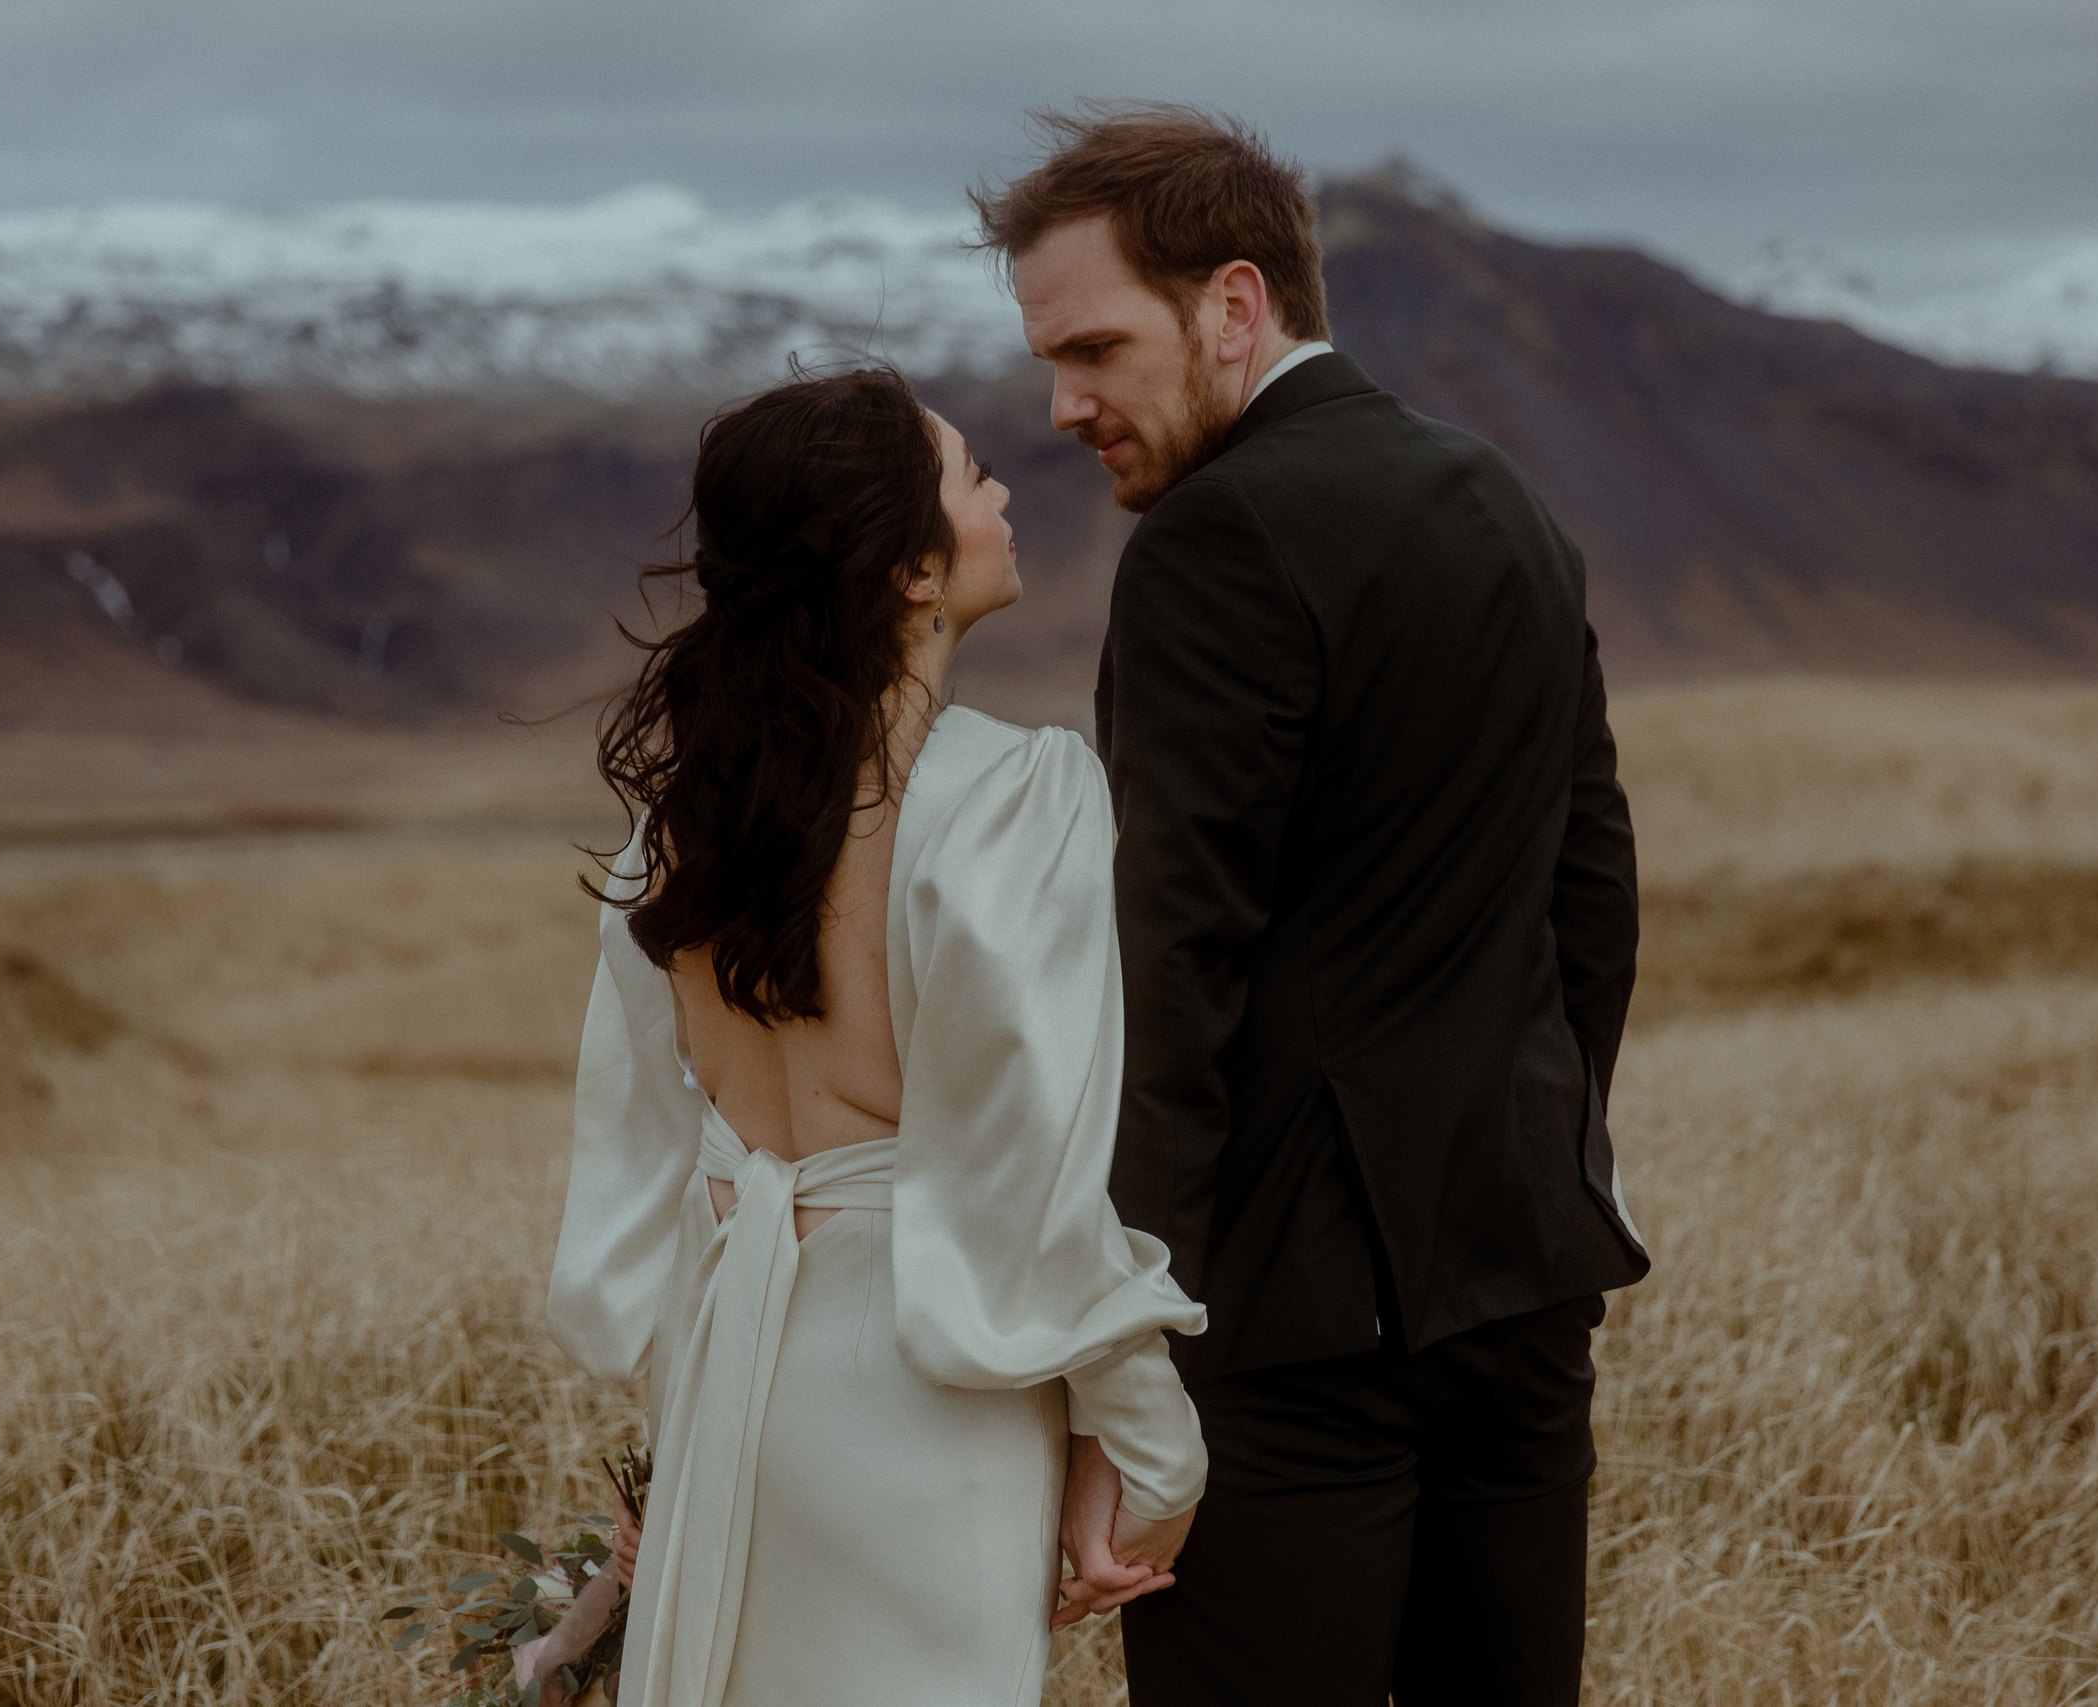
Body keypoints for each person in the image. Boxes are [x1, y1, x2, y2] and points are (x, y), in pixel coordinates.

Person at [973, 105, 1654, 1707]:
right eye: (1048, 362)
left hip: (1281, 1334)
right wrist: (1532, 1153)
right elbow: (1594, 893)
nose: (1065, 407)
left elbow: (1170, 969)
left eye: (1094, 350)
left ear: (1233, 305)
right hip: (1520, 1286)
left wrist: (1125, 1360)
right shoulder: (1503, 501)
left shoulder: (1218, 539)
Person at [527, 366, 1209, 1707]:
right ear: (908, 567)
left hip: (739, 1393)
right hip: (924, 1405)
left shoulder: (678, 835)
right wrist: (1147, 1446)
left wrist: (678, 1441)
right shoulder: (1018, 796)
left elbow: (660, 1175)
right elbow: (1036, 1179)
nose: (1004, 491)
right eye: (969, 476)